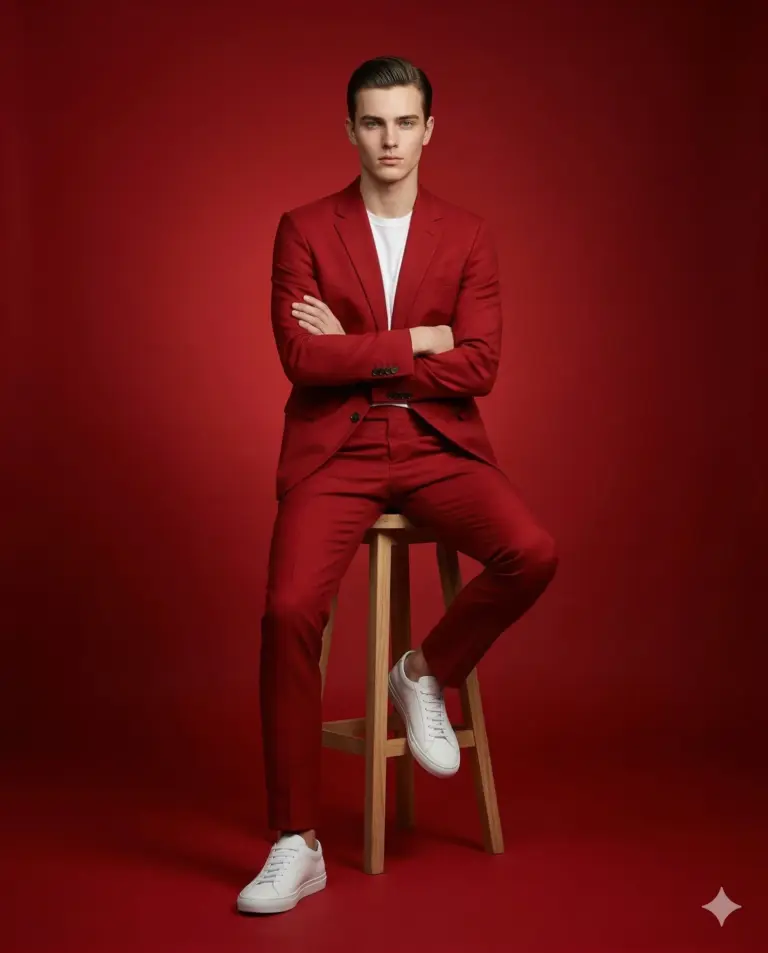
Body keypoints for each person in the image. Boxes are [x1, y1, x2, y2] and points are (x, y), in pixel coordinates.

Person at [237, 55, 558, 915]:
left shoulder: (470, 233)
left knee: (532, 552)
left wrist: (362, 349)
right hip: (333, 452)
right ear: (349, 129)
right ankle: (295, 841)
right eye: (372, 122)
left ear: (428, 129)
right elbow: (300, 357)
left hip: (432, 443)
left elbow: (481, 364)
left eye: (404, 122)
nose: (389, 139)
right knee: (288, 610)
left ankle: (424, 669)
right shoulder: (303, 227)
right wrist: (418, 337)